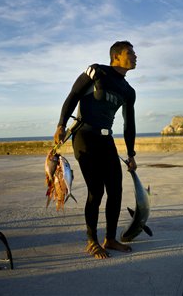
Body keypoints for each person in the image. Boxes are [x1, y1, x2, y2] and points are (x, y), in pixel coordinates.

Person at [54, 41, 138, 259]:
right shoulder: (97, 71)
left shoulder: (129, 91)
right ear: (116, 57)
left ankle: (110, 238)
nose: (135, 56)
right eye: (130, 53)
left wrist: (131, 154)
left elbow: (129, 124)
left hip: (106, 139)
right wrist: (61, 125)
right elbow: (73, 95)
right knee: (96, 191)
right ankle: (91, 240)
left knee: (116, 190)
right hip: (84, 136)